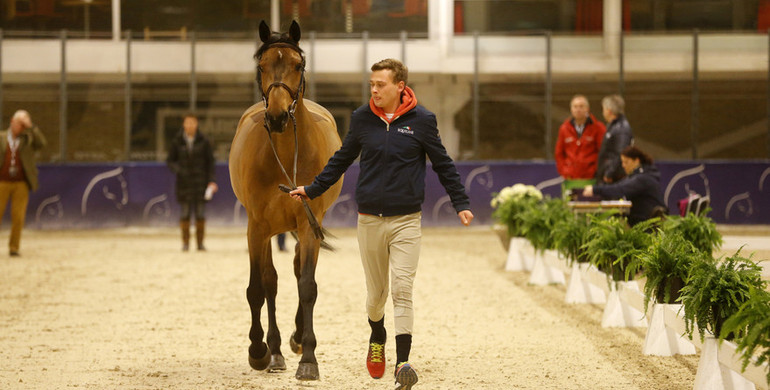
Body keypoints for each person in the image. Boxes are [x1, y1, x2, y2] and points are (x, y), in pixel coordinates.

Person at [289, 58, 473, 389]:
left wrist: (460, 203)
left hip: (406, 221)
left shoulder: (423, 121)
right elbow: (341, 159)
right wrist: (312, 189)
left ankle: (403, 362)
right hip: (370, 221)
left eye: (380, 85)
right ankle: (378, 336)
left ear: (400, 87)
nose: (374, 90)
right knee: (376, 296)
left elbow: (443, 164)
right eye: (371, 84)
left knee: (402, 289)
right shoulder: (362, 119)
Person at [166, 113, 217, 251]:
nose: (190, 126)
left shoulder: (204, 141)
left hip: (201, 183)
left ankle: (200, 244)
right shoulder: (177, 141)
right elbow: (170, 160)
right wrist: (179, 170)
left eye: (192, 123)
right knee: (185, 214)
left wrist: (212, 181)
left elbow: (210, 162)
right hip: (184, 184)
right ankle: (185, 243)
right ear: (184, 125)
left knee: (200, 214)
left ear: (197, 124)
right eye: (187, 123)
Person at [0, 110, 46, 257]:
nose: (20, 127)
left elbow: (42, 144)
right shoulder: (1, 137)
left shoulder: (28, 139)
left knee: (18, 217)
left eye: (23, 125)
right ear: (12, 122)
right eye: (19, 123)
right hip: (2, 182)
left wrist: (31, 127)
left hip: (21, 183)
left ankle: (14, 247)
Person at [583, 146, 667, 226]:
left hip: (647, 223)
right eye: (622, 162)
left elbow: (620, 189)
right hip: (638, 220)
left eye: (626, 162)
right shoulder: (635, 176)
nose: (623, 165)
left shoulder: (643, 178)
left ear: (636, 161)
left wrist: (594, 190)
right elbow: (618, 186)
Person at [554, 94, 606, 196]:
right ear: (571, 109)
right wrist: (564, 171)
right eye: (575, 106)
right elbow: (559, 153)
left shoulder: (598, 127)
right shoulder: (564, 128)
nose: (578, 109)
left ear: (587, 109)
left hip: (591, 178)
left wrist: (595, 170)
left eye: (581, 106)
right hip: (570, 178)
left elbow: (603, 152)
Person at [595, 94, 633, 184]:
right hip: (609, 176)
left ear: (609, 111)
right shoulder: (613, 126)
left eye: (603, 109)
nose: (602, 112)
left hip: (615, 179)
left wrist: (610, 173)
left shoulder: (621, 128)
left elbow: (621, 153)